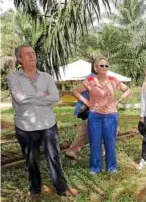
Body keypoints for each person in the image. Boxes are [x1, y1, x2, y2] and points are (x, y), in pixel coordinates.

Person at [8, 44, 78, 200]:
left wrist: (32, 96)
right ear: (20, 59)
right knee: (31, 159)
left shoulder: (46, 77)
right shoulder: (14, 78)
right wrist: (42, 94)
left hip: (48, 124)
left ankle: (62, 187)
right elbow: (20, 99)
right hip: (25, 126)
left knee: (54, 156)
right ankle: (35, 189)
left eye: (33, 53)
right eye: (27, 54)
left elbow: (54, 97)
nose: (32, 56)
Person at [72, 57, 131, 174]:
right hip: (95, 116)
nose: (104, 68)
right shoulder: (90, 80)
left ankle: (112, 167)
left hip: (111, 115)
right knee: (95, 143)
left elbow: (127, 90)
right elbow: (75, 91)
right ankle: (95, 168)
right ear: (96, 68)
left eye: (106, 66)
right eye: (101, 66)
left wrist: (118, 100)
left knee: (110, 143)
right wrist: (87, 102)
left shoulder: (113, 80)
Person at [65, 60, 98, 160]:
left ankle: (72, 151)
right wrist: (87, 103)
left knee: (88, 131)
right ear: (93, 67)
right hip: (89, 109)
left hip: (93, 109)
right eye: (97, 65)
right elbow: (76, 91)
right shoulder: (92, 78)